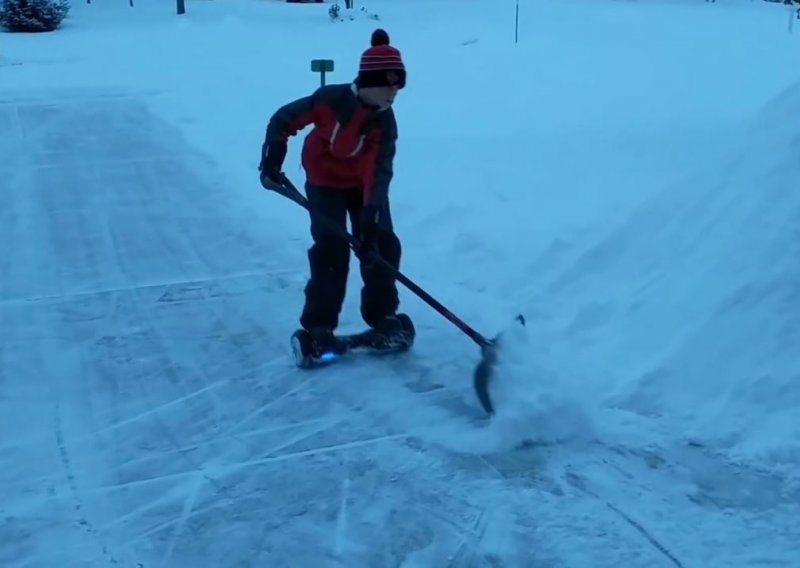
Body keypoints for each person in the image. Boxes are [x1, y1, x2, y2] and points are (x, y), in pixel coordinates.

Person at [259, 28, 409, 356]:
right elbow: (283, 119)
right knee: (331, 249)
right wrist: (273, 155)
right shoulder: (331, 100)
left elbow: (379, 171)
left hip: (363, 184)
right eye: (388, 85)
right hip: (324, 182)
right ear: (370, 82)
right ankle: (319, 326)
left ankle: (383, 315)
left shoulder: (385, 122)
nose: (393, 94)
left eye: (398, 87)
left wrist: (369, 220)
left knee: (381, 246)